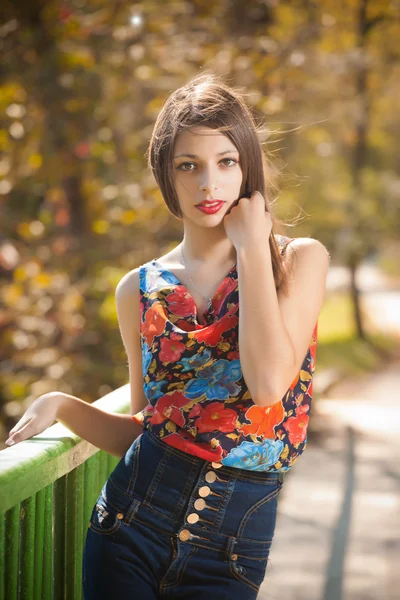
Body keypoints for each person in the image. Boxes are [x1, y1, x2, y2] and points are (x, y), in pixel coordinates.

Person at [5, 72, 330, 599]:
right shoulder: (139, 289)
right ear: (166, 175)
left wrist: (250, 248)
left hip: (232, 549)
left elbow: (269, 385)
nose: (209, 185)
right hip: (126, 527)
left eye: (227, 162)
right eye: (189, 166)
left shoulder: (297, 261)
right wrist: (64, 405)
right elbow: (147, 430)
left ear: (248, 164)